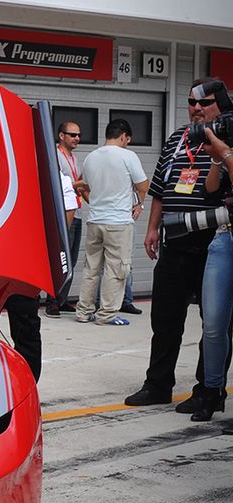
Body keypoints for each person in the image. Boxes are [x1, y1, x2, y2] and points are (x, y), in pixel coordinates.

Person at [125, 79, 233, 411]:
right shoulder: (177, 138)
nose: (197, 108)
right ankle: (158, 385)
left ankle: (208, 389)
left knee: (214, 323)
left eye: (205, 102)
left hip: (213, 241)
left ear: (220, 105)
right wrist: (152, 228)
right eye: (192, 102)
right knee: (165, 319)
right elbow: (159, 187)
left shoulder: (227, 139)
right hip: (174, 241)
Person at [74, 119, 148, 326]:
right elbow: (143, 185)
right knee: (116, 269)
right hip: (118, 222)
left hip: (95, 221)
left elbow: (84, 186)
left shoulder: (91, 157)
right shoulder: (128, 156)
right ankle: (106, 314)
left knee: (91, 268)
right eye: (127, 140)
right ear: (124, 136)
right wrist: (139, 205)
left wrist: (94, 203)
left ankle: (84, 311)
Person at [7, 172, 79, 381]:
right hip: (16, 256)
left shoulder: (52, 174)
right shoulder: (49, 173)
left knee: (24, 323)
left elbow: (69, 209)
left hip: (22, 258)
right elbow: (68, 209)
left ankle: (26, 384)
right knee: (22, 324)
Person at [194, 127, 233, 421]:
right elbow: (210, 190)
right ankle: (212, 391)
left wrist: (226, 154)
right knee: (213, 323)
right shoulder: (225, 152)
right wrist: (218, 159)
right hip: (224, 236)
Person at [45, 121, 85, 317]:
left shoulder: (74, 158)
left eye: (79, 135)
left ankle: (62, 299)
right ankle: (52, 301)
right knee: (60, 257)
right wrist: (80, 183)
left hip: (76, 212)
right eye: (73, 135)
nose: (77, 138)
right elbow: (59, 184)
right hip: (62, 214)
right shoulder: (56, 156)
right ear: (61, 136)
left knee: (72, 259)